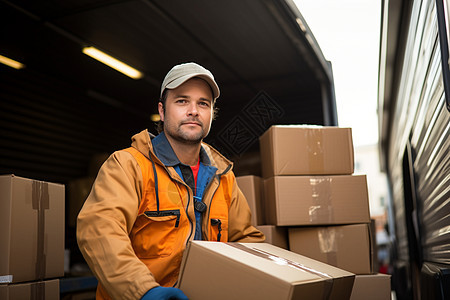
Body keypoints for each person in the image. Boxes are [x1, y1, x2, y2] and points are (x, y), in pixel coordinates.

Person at [77, 62, 265, 300]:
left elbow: (246, 240)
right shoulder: (128, 165)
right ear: (162, 111)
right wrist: (144, 291)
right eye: (182, 101)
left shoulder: (223, 177)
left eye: (203, 103)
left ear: (210, 115)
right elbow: (99, 230)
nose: (194, 110)